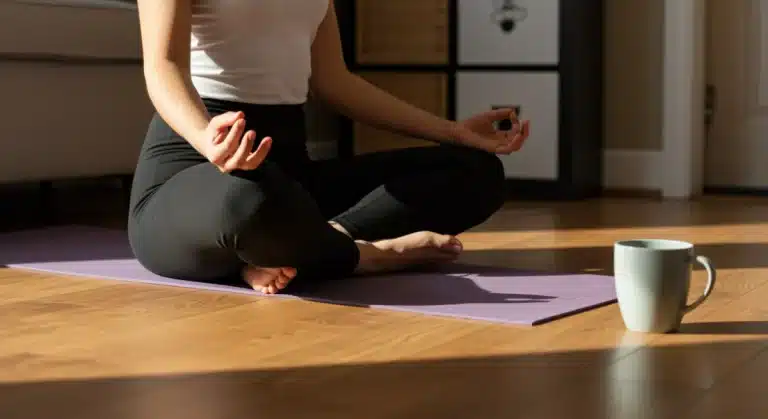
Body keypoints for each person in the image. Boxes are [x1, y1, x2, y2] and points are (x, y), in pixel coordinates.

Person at [128, 0, 531, 295]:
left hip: (290, 181)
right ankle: (366, 255)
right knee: (248, 202)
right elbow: (163, 67)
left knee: (477, 171)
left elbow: (335, 82)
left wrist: (452, 132)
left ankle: (309, 244)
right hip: (195, 172)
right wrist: (205, 137)